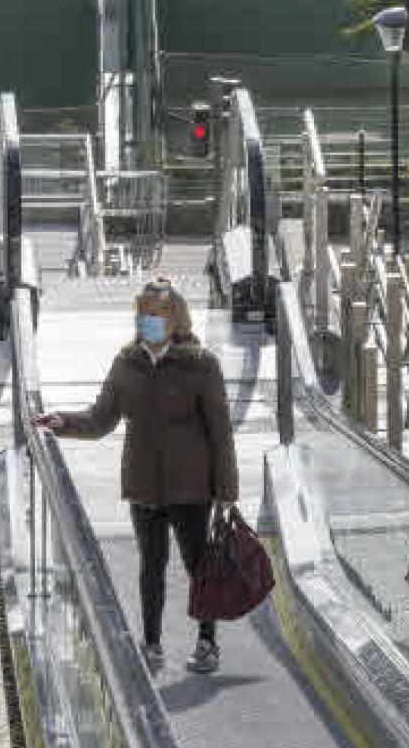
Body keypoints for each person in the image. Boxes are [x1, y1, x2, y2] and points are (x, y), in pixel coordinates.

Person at [33, 278, 239, 674]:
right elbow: (100, 418)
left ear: (174, 317)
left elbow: (221, 433)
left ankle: (207, 641)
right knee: (151, 565)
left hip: (192, 489)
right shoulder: (126, 363)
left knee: (199, 565)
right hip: (144, 485)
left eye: (156, 314)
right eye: (143, 313)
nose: (148, 320)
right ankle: (152, 643)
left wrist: (226, 491)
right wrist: (63, 422)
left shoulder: (201, 364)